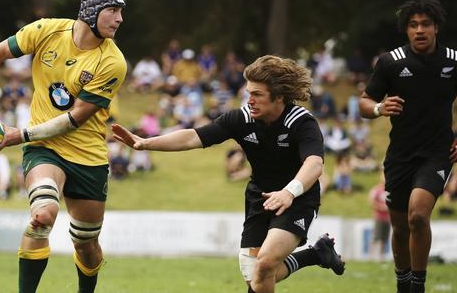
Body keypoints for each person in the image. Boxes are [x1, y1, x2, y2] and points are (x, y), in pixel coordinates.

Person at [111, 55, 344, 293]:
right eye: (248, 93)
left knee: (265, 263)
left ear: (279, 97)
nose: (249, 100)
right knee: (257, 276)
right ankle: (316, 254)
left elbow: (315, 164)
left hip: (297, 197)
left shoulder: (301, 122)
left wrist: (289, 192)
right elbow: (194, 136)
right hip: (260, 197)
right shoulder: (241, 118)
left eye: (257, 94)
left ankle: (315, 253)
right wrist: (146, 143)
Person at [0, 0, 127, 293]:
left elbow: (74, 118)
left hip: (88, 157)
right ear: (91, 11)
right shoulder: (47, 30)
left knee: (86, 243)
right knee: (43, 215)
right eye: (112, 10)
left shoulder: (113, 62)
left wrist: (16, 135)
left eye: (121, 12)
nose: (119, 19)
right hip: (44, 149)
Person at [359, 0, 457, 293]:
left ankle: (417, 285)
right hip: (400, 156)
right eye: (413, 25)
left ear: (436, 28)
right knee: (401, 226)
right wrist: (380, 108)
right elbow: (364, 102)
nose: (420, 30)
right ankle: (403, 280)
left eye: (426, 24)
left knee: (418, 216)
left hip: (437, 153)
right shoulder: (390, 62)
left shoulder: (456, 60)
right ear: (406, 31)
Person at [369, 174, 390, 261]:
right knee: (375, 237)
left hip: (387, 218)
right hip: (378, 217)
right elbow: (371, 201)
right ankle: (371, 256)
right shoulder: (376, 189)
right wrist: (381, 207)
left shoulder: (389, 190)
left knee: (384, 238)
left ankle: (381, 257)